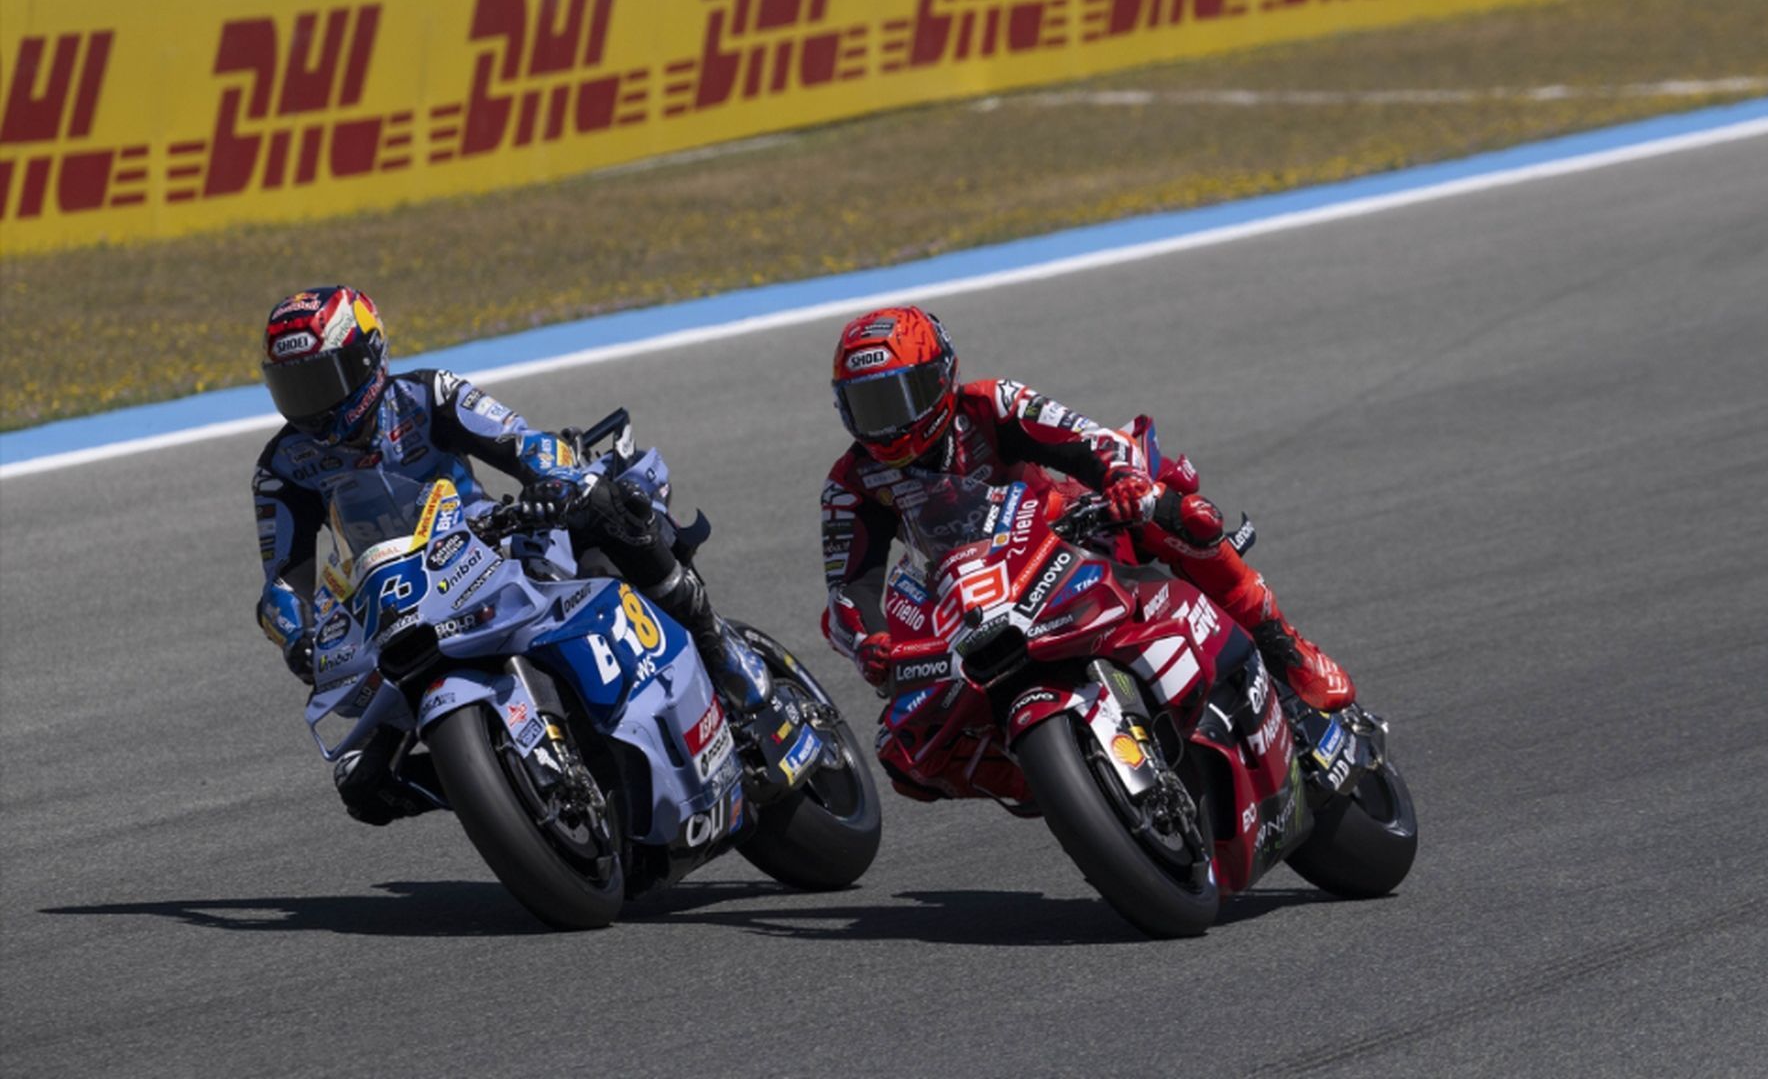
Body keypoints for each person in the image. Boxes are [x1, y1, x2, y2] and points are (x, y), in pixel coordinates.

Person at [253, 285, 766, 825]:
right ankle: (505, 790)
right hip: (398, 604)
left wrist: (556, 480)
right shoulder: (282, 466)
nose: (311, 403)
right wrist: (298, 636)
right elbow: (282, 584)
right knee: (364, 788)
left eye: (321, 380)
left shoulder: (429, 395)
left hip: (488, 545)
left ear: (369, 358)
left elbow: (522, 440)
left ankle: (716, 647)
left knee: (610, 509)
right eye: (293, 387)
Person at [819, 305, 1354, 717]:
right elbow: (848, 590)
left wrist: (1121, 480)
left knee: (1179, 516)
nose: (889, 423)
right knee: (908, 729)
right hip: (967, 596)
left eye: (901, 398)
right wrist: (871, 641)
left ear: (941, 378)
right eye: (871, 406)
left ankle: (1282, 645)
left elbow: (1087, 439)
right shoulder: (851, 483)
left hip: (1057, 535)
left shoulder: (992, 404)